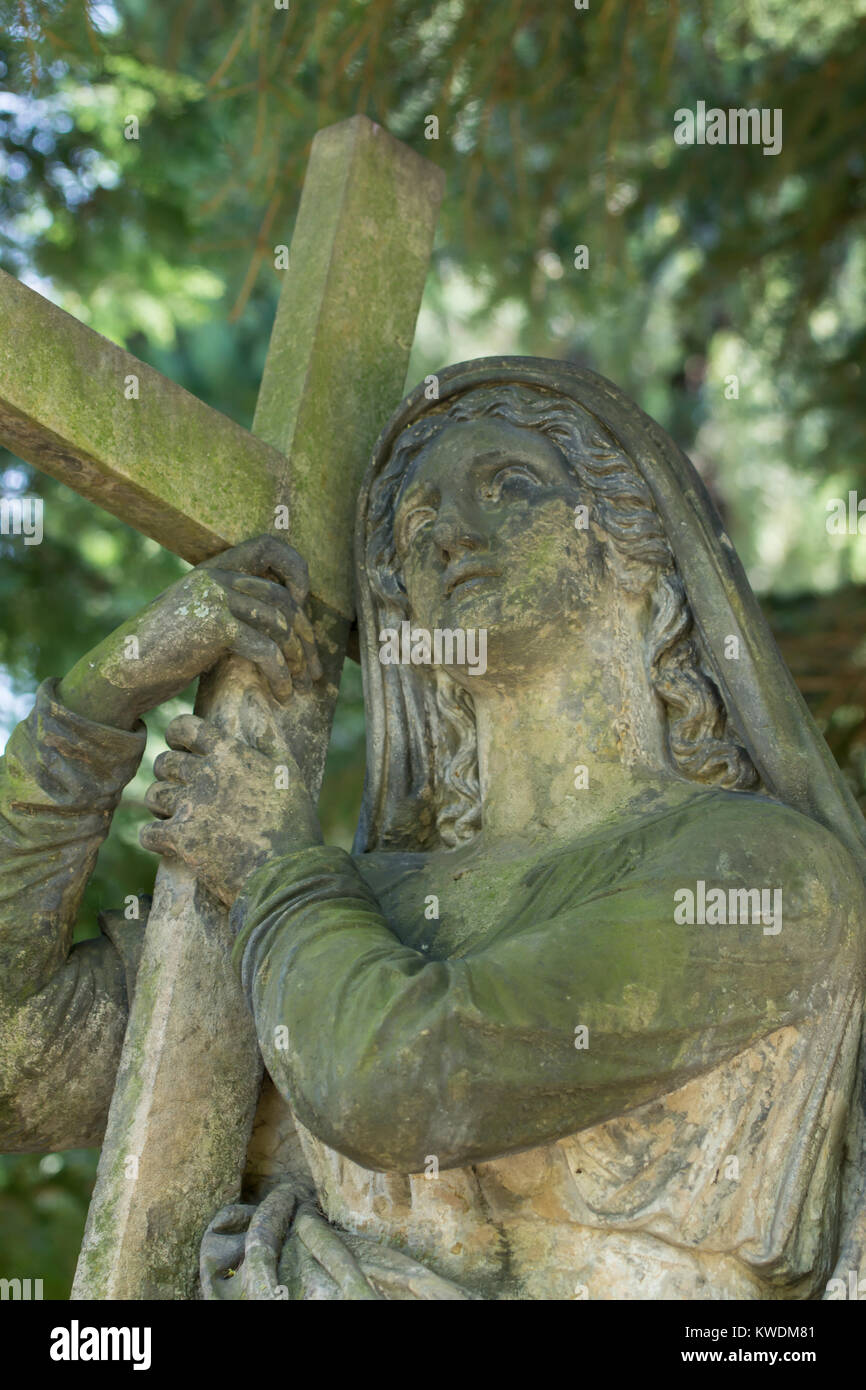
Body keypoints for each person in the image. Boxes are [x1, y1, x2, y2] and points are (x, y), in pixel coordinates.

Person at [2, 358, 864, 1300]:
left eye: (512, 486)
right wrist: (105, 694)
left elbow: (406, 1084)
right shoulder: (351, 906)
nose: (453, 530)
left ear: (639, 545)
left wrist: (267, 872)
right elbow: (20, 1060)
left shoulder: (764, 873)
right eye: (417, 525)